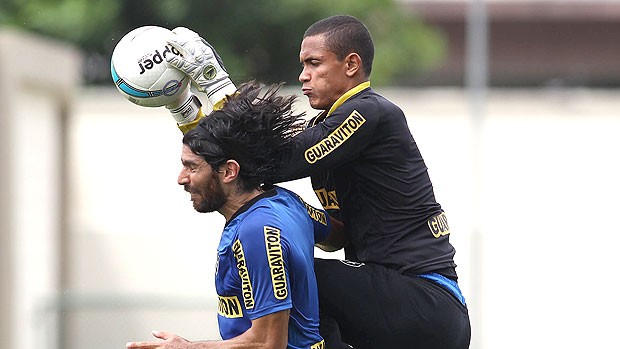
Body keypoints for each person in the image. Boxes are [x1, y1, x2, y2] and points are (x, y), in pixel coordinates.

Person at [164, 14, 471, 349]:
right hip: (394, 302)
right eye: (302, 65)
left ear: (351, 64)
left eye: (314, 63)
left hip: (424, 301)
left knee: (297, 277)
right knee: (286, 271)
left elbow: (270, 159)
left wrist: (215, 83)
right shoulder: (327, 126)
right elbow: (334, 234)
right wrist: (186, 112)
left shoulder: (369, 113)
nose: (303, 75)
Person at [127, 82, 330, 349]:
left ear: (229, 171)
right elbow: (333, 235)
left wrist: (189, 348)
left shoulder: (256, 231)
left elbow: (269, 343)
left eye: (191, 167)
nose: (181, 179)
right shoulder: (284, 201)